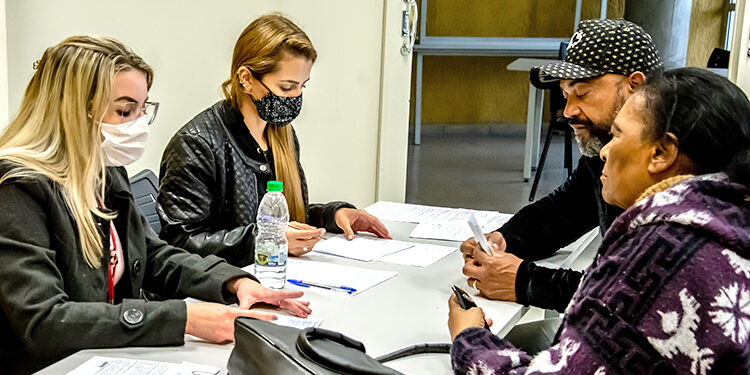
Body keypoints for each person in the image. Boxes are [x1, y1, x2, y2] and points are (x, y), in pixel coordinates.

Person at [0, 36, 311, 375]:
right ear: (74, 110)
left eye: (142, 108)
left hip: (102, 356)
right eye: (124, 110)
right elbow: (44, 320)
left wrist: (232, 283)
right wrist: (185, 318)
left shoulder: (102, 167)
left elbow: (153, 255)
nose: (139, 123)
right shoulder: (17, 188)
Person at [448, 67, 750, 374]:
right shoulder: (725, 212)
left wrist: (469, 338)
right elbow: (560, 212)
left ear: (661, 153)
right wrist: (508, 238)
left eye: (618, 134)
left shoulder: (667, 244)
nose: (605, 150)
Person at [461, 19, 663, 314]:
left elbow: (638, 296)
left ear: (634, 86)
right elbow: (563, 211)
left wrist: (524, 281)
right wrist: (507, 239)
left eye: (582, 94)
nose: (568, 112)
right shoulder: (604, 149)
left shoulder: (674, 171)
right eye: (565, 96)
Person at [157, 14, 390, 267]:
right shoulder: (196, 144)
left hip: (268, 274)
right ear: (246, 78)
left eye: (303, 86)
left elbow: (280, 216)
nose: (296, 97)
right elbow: (180, 243)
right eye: (287, 88)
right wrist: (269, 239)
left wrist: (332, 215)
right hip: (216, 291)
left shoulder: (281, 134)